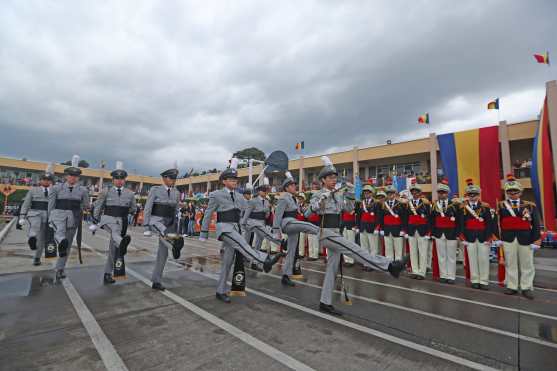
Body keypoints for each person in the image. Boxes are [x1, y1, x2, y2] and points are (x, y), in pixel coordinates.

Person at [274, 158, 408, 316]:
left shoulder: (338, 194)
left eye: (334, 177)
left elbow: (350, 209)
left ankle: (325, 302)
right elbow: (307, 213)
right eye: (330, 177)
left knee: (332, 269)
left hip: (337, 232)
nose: (333, 180)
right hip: (326, 233)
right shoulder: (318, 194)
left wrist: (351, 193)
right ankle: (390, 266)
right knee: (355, 249)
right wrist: (319, 203)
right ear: (323, 180)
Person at [199, 158, 282, 303]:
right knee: (243, 244)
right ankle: (264, 260)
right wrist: (204, 232)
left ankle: (220, 290)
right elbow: (208, 213)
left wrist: (264, 198)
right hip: (224, 228)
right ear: (223, 181)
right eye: (231, 179)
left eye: (235, 179)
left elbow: (251, 207)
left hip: (235, 228)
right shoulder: (216, 195)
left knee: (228, 262)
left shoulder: (239, 196)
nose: (234, 181)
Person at [90, 162, 137, 284]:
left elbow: (133, 209)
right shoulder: (106, 191)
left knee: (114, 248)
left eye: (122, 179)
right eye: (117, 178)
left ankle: (107, 273)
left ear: (125, 180)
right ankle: (123, 242)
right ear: (113, 180)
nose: (120, 181)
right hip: (108, 219)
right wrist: (95, 219)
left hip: (122, 221)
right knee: (115, 232)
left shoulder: (130, 194)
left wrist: (128, 212)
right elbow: (98, 206)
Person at [496, 174, 541, 299]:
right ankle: (512, 286)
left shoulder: (529, 205)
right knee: (510, 263)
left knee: (527, 264)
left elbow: (536, 223)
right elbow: (498, 223)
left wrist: (536, 239)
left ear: (520, 192)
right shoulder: (501, 205)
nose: (512, 193)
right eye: (509, 191)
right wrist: (498, 238)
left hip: (526, 238)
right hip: (508, 238)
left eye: (515, 191)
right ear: (506, 192)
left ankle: (526, 287)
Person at [48, 155, 90, 281]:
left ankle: (60, 269)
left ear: (78, 177)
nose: (73, 178)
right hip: (58, 216)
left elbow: (86, 205)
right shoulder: (56, 188)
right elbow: (51, 204)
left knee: (66, 246)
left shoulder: (83, 190)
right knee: (60, 236)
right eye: (71, 175)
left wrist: (82, 210)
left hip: (73, 219)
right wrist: (49, 219)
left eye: (76, 176)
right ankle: (60, 241)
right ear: (66, 176)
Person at [143, 164, 184, 290]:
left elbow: (176, 210)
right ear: (164, 178)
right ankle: (174, 246)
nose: (173, 181)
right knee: (165, 234)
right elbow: (148, 207)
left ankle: (156, 281)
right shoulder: (155, 190)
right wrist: (146, 226)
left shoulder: (176, 192)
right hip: (156, 220)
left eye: (174, 179)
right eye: (171, 178)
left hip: (169, 222)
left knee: (163, 254)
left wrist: (177, 223)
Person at [458, 179, 495, 290]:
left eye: (474, 194)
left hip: (483, 236)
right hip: (469, 237)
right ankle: (474, 280)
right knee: (472, 260)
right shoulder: (463, 207)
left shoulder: (485, 206)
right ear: (467, 195)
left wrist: (489, 237)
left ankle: (483, 281)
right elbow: (461, 223)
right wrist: (462, 237)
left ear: (479, 195)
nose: (472, 196)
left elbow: (489, 223)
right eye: (470, 194)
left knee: (484, 259)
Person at [18, 163, 54, 266]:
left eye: (48, 180)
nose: (46, 181)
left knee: (42, 239)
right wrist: (22, 216)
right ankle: (32, 238)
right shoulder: (33, 190)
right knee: (35, 226)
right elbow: (26, 204)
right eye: (44, 179)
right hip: (34, 213)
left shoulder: (54, 190)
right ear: (40, 180)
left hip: (47, 215)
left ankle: (37, 257)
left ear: (50, 181)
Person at [241, 177, 283, 254]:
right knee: (246, 239)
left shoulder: (267, 202)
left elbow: (267, 214)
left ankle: (256, 255)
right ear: (259, 192)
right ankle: (244, 254)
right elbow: (247, 212)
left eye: (265, 191)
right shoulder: (253, 201)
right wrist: (243, 223)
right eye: (263, 191)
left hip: (262, 222)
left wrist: (268, 214)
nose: (265, 192)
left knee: (259, 240)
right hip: (252, 221)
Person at [430, 180, 459, 284]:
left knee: (451, 256)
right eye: (440, 192)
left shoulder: (454, 205)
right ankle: (443, 275)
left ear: (448, 193)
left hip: (451, 233)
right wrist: (433, 233)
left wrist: (457, 234)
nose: (441, 194)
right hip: (438, 233)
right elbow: (432, 221)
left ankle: (451, 276)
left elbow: (459, 220)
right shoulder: (434, 205)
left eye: (444, 192)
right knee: (441, 256)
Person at [406, 180, 432, 280]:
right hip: (412, 230)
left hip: (423, 230)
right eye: (413, 192)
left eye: (416, 191)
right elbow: (406, 218)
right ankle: (415, 270)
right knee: (413, 252)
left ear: (420, 192)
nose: (414, 193)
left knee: (422, 252)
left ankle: (422, 272)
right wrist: (406, 231)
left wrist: (428, 232)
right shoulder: (408, 204)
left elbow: (429, 219)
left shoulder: (425, 204)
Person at [378, 182, 408, 262]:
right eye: (388, 193)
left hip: (397, 229)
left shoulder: (400, 204)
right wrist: (382, 229)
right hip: (387, 229)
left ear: (395, 194)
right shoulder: (384, 204)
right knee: (388, 248)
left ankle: (398, 264)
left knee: (398, 249)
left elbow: (404, 218)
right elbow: (382, 218)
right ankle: (389, 263)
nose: (390, 195)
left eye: (392, 193)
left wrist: (402, 229)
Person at [358, 184, 381, 267]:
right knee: (364, 247)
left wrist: (377, 227)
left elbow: (378, 216)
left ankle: (373, 264)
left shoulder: (376, 203)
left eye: (368, 192)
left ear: (372, 193)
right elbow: (359, 216)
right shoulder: (362, 203)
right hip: (363, 227)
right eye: (365, 193)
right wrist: (358, 226)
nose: (366, 194)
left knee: (373, 248)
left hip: (372, 228)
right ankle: (366, 263)